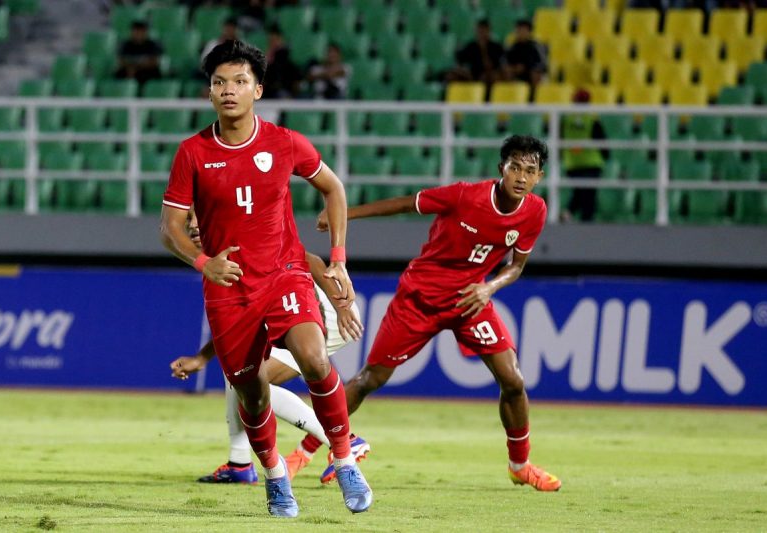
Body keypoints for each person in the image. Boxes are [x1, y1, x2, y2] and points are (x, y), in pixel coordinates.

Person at [159, 40, 372, 517]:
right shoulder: (192, 152)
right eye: (219, 82)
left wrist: (338, 259)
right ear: (209, 92)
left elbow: (334, 189)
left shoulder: (285, 142)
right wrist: (203, 262)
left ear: (257, 89)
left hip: (284, 275)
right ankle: (275, 475)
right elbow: (169, 227)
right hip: (228, 290)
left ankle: (345, 460)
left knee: (314, 358)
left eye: (239, 81)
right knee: (250, 393)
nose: (228, 90)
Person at [316, 135, 562, 492]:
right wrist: (343, 214)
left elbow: (516, 266)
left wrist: (489, 288)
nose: (521, 177)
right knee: (370, 379)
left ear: (539, 176)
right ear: (501, 169)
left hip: (469, 301)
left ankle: (520, 465)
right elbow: (404, 204)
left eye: (529, 171)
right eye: (515, 168)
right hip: (420, 299)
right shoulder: (464, 195)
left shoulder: (535, 210)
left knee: (513, 380)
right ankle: (308, 450)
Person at [170, 210, 370, 485]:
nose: (193, 225)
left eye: (197, 216)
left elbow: (309, 259)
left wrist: (341, 305)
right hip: (303, 311)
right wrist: (202, 358)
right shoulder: (217, 261)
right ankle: (240, 463)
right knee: (239, 372)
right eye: (188, 219)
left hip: (323, 312)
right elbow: (237, 328)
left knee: (251, 380)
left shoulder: (240, 243)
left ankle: (345, 440)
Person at [561, 88, 607, 222]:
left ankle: (568, 213)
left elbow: (560, 139)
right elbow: (602, 142)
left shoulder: (565, 119)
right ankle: (584, 223)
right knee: (588, 197)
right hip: (592, 163)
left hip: (572, 163)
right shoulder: (592, 119)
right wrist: (606, 156)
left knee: (579, 192)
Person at [448, 19, 505, 90]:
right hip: (472, 75)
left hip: (490, 76)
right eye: (479, 31)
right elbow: (460, 60)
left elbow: (501, 64)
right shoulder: (471, 46)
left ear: (489, 31)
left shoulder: (496, 47)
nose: (481, 34)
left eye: (484, 31)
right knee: (452, 76)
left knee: (492, 77)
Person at [504, 19, 547, 99]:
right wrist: (514, 68)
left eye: (523, 30)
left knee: (535, 75)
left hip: (533, 73)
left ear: (529, 32)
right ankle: (512, 98)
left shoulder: (536, 46)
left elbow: (542, 64)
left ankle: (534, 98)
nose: (521, 32)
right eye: (519, 30)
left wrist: (527, 67)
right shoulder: (513, 47)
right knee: (507, 73)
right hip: (518, 74)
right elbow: (507, 62)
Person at [115, 20, 163, 86]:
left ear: (145, 32)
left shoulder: (153, 45)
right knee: (119, 74)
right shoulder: (125, 45)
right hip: (129, 71)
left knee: (154, 74)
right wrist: (130, 68)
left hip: (146, 71)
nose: (139, 34)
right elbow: (121, 61)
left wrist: (137, 68)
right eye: (136, 31)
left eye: (141, 31)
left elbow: (155, 62)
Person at [262, 24, 302, 99]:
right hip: (269, 91)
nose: (273, 43)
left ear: (280, 40)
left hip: (284, 90)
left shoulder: (284, 55)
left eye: (275, 40)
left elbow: (292, 74)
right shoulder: (268, 58)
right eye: (271, 41)